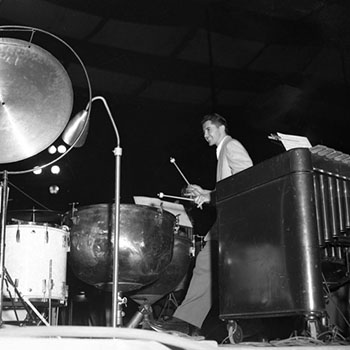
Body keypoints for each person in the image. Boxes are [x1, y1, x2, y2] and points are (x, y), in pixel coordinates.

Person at [157, 112, 253, 335]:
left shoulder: (231, 146)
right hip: (226, 223)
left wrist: (210, 197)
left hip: (236, 223)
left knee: (208, 266)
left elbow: (246, 181)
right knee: (204, 264)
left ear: (221, 128)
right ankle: (187, 322)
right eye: (203, 131)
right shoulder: (222, 153)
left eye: (208, 129)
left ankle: (188, 322)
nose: (205, 135)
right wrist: (206, 193)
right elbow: (229, 187)